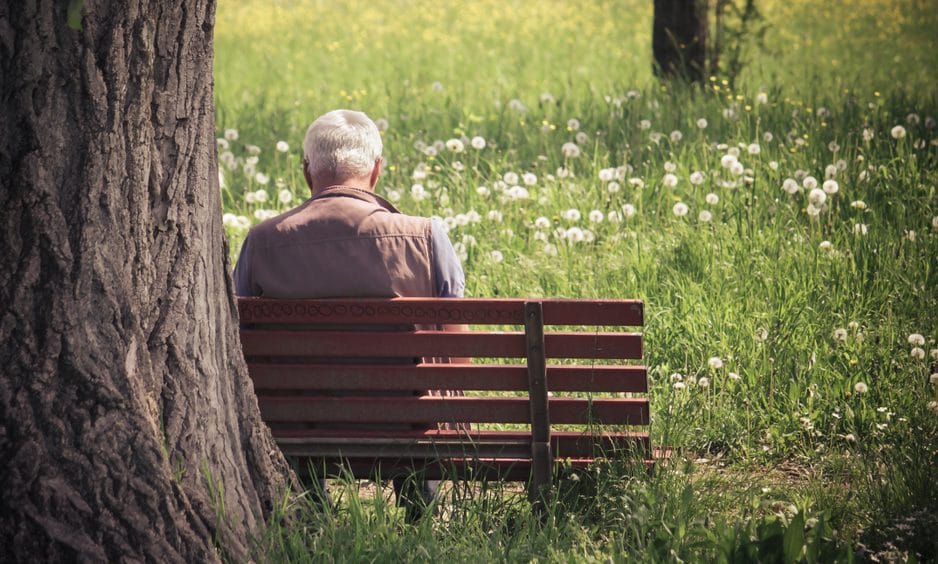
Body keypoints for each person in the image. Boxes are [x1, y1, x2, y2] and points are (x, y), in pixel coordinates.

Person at [233, 109, 465, 521]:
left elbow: (242, 347)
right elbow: (459, 353)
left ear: (307, 171)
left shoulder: (261, 243)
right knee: (420, 399)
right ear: (376, 170)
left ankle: (310, 517)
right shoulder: (426, 237)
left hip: (298, 430)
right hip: (409, 427)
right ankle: (420, 516)